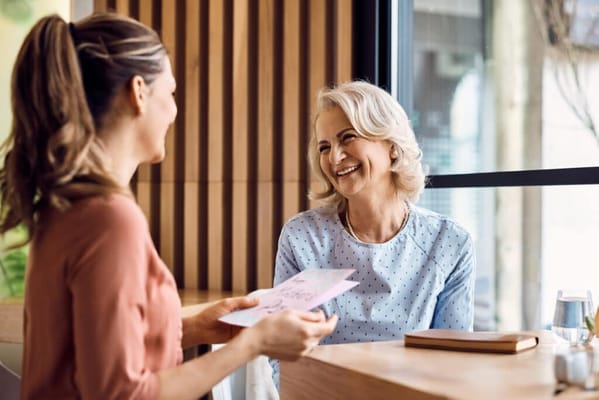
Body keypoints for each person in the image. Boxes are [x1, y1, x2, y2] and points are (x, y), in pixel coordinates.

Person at [0, 12, 337, 399]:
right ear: (138, 91)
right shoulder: (109, 220)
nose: (175, 111)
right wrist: (252, 344)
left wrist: (197, 325)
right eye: (172, 92)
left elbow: (95, 345)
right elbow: (122, 393)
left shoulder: (68, 208)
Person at [270, 80, 475, 385]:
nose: (334, 157)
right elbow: (284, 359)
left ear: (392, 148)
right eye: (324, 147)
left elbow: (455, 363)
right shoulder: (303, 237)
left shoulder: (450, 243)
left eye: (347, 138)